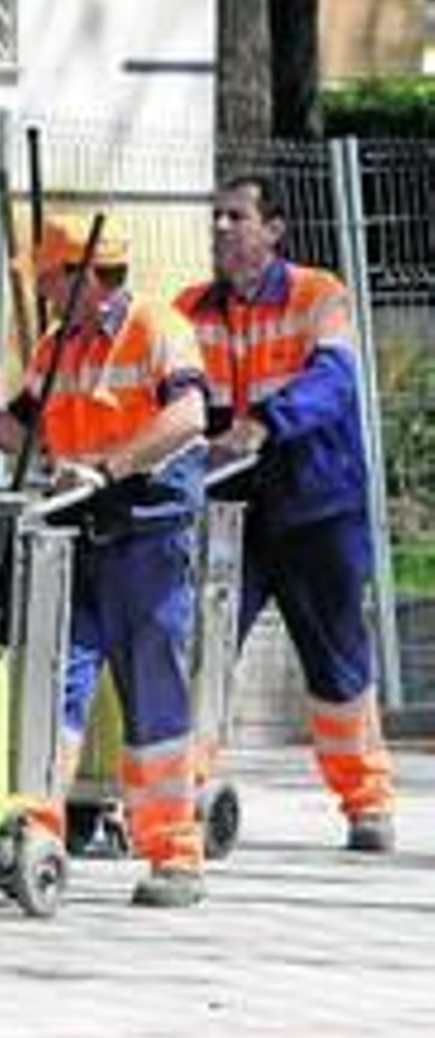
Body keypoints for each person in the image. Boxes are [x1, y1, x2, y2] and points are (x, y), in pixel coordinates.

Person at [0, 214, 210, 908]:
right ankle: (38, 833)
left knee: (153, 689)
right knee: (57, 686)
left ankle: (174, 851)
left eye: (51, 277)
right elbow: (24, 433)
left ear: (82, 275)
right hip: (79, 534)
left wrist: (109, 469)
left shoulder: (157, 326)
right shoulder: (59, 344)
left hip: (149, 529)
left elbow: (190, 416)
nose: (44, 290)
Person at [175, 175, 395, 852]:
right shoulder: (190, 308)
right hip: (231, 510)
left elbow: (335, 380)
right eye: (214, 217)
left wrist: (265, 422)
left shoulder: (317, 293)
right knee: (201, 648)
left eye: (235, 217)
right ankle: (181, 789)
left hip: (316, 504)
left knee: (335, 659)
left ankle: (366, 800)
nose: (221, 229)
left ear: (273, 229)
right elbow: (175, 388)